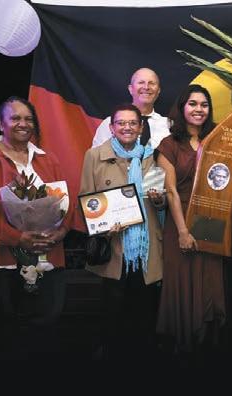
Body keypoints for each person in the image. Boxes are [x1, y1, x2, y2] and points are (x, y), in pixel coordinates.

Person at [0, 96, 73, 359]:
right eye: (15, 118)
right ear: (0, 124)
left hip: (47, 256)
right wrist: (18, 237)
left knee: (46, 326)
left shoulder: (48, 159)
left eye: (28, 119)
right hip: (4, 260)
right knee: (8, 335)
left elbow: (64, 202)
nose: (23, 123)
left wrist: (62, 231)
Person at [156, 84, 232, 359]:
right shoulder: (169, 145)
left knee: (210, 280)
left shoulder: (219, 139)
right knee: (183, 281)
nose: (199, 109)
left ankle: (209, 346)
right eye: (193, 104)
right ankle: (182, 346)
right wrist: (183, 232)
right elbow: (170, 191)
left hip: (211, 217)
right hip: (180, 219)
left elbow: (225, 178)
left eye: (204, 105)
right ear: (182, 108)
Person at [79, 103, 166, 362]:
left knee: (146, 314)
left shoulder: (154, 156)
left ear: (141, 127)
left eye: (132, 123)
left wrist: (159, 200)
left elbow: (164, 200)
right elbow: (86, 200)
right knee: (113, 313)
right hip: (115, 246)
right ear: (111, 127)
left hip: (147, 248)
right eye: (121, 123)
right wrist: (104, 224)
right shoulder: (94, 156)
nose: (127, 127)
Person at [92, 67, 170, 149]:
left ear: (158, 90)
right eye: (141, 82)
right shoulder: (111, 123)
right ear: (131, 89)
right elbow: (97, 156)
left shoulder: (168, 125)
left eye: (152, 83)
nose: (146, 87)